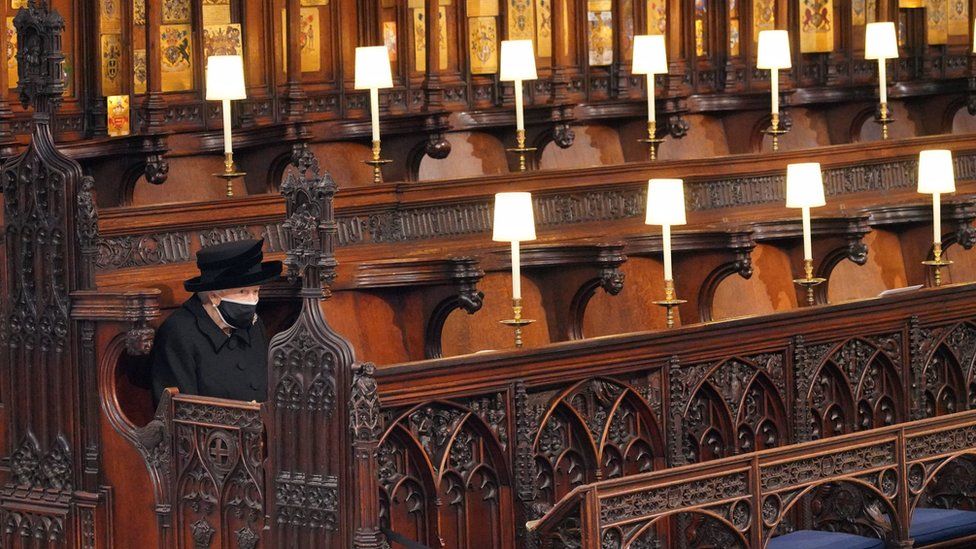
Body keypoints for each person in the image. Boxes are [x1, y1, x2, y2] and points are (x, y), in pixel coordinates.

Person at [150, 238, 281, 406]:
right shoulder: (178, 333)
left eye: (255, 291)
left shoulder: (255, 325)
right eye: (242, 291)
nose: (252, 300)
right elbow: (179, 412)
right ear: (214, 296)